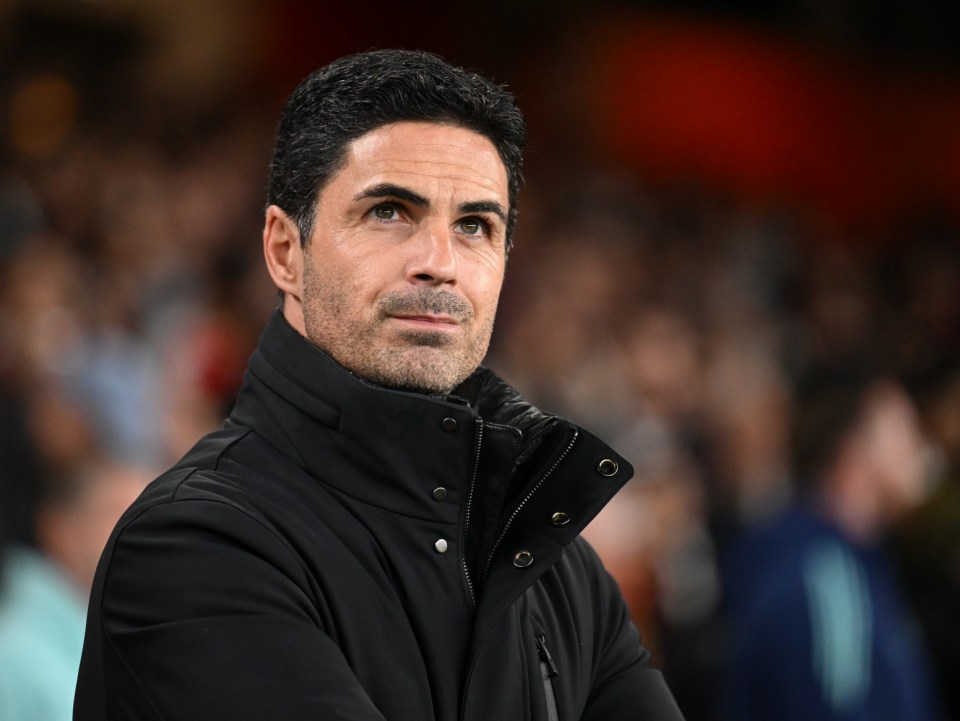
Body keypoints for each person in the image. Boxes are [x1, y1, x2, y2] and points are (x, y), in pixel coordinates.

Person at [74, 49, 685, 721]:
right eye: (390, 211)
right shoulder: (193, 543)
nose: (439, 264)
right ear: (284, 250)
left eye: (476, 225)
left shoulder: (556, 566)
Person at [719, 371, 944, 721]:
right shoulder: (821, 578)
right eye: (905, 430)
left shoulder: (847, 561)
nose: (920, 447)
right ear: (854, 452)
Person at [0, 459, 147, 721]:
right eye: (120, 511)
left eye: (151, 515)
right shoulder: (11, 654)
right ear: (58, 527)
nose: (145, 532)